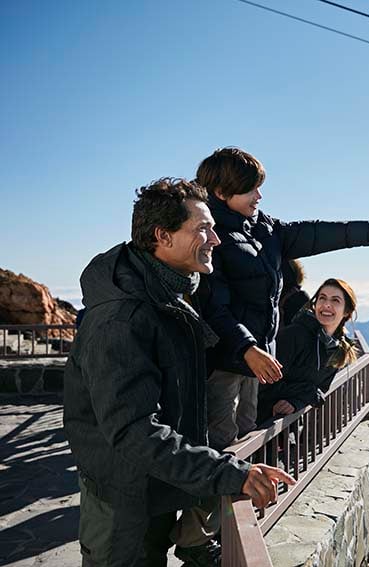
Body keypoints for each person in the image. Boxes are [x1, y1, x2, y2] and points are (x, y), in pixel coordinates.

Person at [63, 178, 294, 567]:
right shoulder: (122, 318)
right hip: (123, 501)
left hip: (152, 486)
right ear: (162, 236)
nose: (215, 240)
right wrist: (229, 473)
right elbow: (133, 430)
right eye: (203, 229)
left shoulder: (166, 294)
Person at [195, 147, 369, 451]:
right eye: (251, 189)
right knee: (222, 440)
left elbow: (313, 234)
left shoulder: (263, 227)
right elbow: (213, 308)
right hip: (227, 360)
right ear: (221, 192)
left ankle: (248, 480)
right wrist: (247, 348)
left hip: (255, 358)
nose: (259, 196)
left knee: (247, 432)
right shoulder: (210, 239)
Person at [257, 278, 359, 424]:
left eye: (335, 300)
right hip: (261, 421)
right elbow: (264, 384)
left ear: (347, 311)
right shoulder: (293, 336)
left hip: (291, 424)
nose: (327, 304)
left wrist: (296, 402)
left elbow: (321, 388)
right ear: (315, 304)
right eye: (322, 298)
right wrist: (307, 392)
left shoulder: (337, 349)